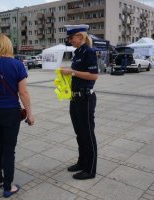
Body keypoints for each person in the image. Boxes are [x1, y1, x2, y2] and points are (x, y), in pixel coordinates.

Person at [0, 34, 34, 198]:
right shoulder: (17, 65)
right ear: (9, 46)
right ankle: (8, 187)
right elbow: (23, 92)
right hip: (10, 112)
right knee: (9, 150)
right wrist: (30, 113)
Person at [60, 24, 98, 180]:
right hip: (75, 97)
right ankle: (82, 162)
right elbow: (78, 75)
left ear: (80, 36)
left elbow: (94, 76)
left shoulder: (89, 52)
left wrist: (73, 72)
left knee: (87, 134)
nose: (70, 40)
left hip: (85, 98)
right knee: (79, 133)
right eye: (69, 38)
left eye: (71, 37)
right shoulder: (78, 53)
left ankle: (90, 169)